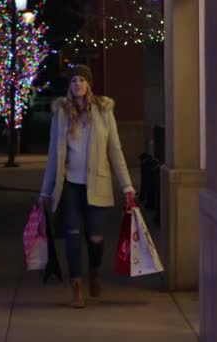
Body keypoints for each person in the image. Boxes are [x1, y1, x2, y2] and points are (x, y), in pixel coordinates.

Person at [39, 64, 135, 308]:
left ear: (89, 84)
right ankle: (77, 285)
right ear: (69, 86)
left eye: (81, 80)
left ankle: (94, 270)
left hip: (96, 183)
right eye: (73, 81)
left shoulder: (103, 111)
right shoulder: (61, 114)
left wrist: (127, 186)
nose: (77, 84)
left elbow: (115, 150)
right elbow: (53, 155)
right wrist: (45, 191)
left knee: (95, 237)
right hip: (70, 185)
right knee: (71, 235)